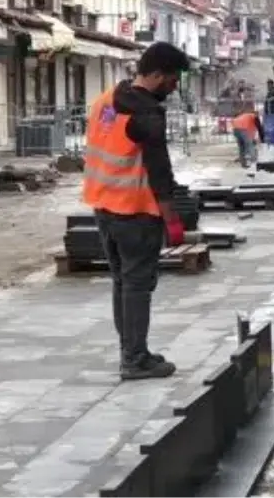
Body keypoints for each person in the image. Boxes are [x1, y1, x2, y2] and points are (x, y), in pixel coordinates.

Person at [83, 42, 191, 381]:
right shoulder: (146, 113)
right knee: (137, 285)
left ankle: (132, 351)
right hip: (136, 211)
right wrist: (172, 219)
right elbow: (160, 173)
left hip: (103, 206)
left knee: (123, 283)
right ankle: (134, 359)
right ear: (157, 74)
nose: (174, 88)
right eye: (173, 80)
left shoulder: (106, 101)